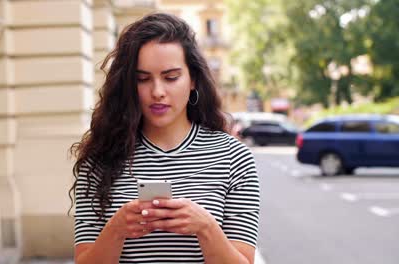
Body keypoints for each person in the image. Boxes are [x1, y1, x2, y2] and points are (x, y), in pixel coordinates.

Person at [69, 13, 260, 264]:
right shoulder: (99, 159)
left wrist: (206, 228)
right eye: (142, 79)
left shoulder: (235, 157)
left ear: (193, 79)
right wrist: (116, 230)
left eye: (171, 77)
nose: (157, 92)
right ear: (128, 84)